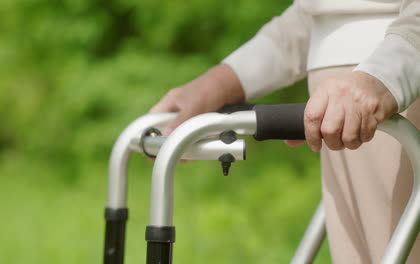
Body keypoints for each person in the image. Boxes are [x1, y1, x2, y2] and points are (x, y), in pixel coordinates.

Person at [150, 0, 420, 263]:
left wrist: (381, 79)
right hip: (351, 110)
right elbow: (312, 16)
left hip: (394, 98)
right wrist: (215, 85)